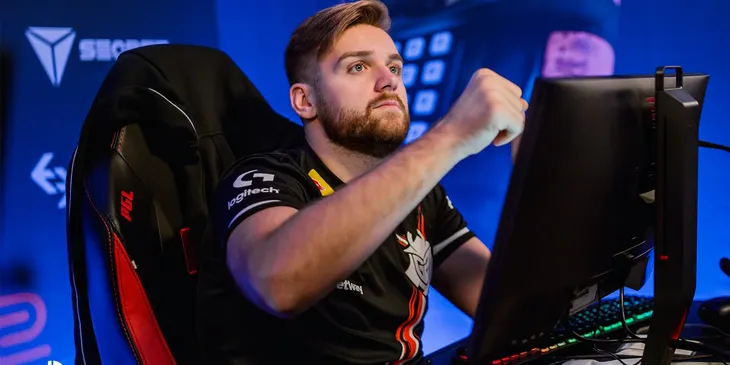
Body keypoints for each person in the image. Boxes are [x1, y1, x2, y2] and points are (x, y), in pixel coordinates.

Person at [196, 1, 527, 364]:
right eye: (358, 66)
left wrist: (539, 177)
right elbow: (277, 284)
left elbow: (511, 313)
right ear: (305, 101)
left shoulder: (422, 195)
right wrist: (450, 136)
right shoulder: (265, 177)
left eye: (395, 67)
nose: (389, 82)